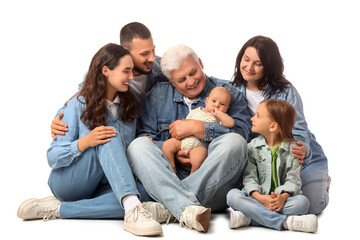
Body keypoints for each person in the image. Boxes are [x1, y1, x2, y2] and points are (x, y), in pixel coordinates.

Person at [17, 43, 164, 236]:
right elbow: (52, 157)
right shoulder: (77, 105)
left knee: (144, 193)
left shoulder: (129, 107)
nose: (131, 77)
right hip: (69, 182)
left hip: (105, 185)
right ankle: (133, 210)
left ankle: (59, 210)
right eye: (126, 71)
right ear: (106, 71)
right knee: (108, 135)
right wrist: (85, 142)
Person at [126, 44, 252, 233]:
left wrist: (200, 128)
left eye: (193, 72)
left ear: (200, 63)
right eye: (182, 79)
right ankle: (185, 207)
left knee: (235, 142)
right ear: (171, 81)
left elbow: (244, 137)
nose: (191, 81)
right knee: (137, 146)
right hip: (169, 177)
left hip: (215, 183)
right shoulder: (157, 96)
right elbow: (146, 137)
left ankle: (170, 207)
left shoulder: (227, 93)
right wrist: (172, 153)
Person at [231, 35, 330, 215]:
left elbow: (299, 131)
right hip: (262, 161)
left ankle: (323, 183)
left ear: (268, 66)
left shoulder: (286, 91)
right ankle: (279, 218)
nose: (249, 67)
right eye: (246, 60)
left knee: (310, 206)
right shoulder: (233, 90)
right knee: (242, 196)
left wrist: (302, 149)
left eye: (258, 63)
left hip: (298, 159)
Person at [50, 22, 168, 139]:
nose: (152, 58)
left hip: (151, 136)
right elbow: (83, 99)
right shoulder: (107, 74)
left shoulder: (164, 69)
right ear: (125, 51)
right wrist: (60, 118)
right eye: (144, 54)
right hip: (122, 134)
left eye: (153, 50)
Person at [227, 99, 318, 233]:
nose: (252, 118)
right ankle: (286, 223)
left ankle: (248, 217)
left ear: (273, 126)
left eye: (258, 116)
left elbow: (293, 180)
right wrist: (260, 198)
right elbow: (249, 177)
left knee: (302, 203)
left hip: (281, 201)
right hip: (257, 197)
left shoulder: (293, 150)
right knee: (232, 195)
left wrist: (282, 197)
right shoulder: (252, 147)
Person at [162, 86, 235, 174]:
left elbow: (231, 123)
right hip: (183, 141)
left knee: (199, 159)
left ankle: (192, 177)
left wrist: (219, 114)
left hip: (199, 145)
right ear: (207, 101)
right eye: (214, 101)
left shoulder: (219, 118)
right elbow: (184, 124)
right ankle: (171, 168)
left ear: (227, 108)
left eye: (222, 104)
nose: (217, 105)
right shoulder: (196, 111)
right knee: (166, 146)